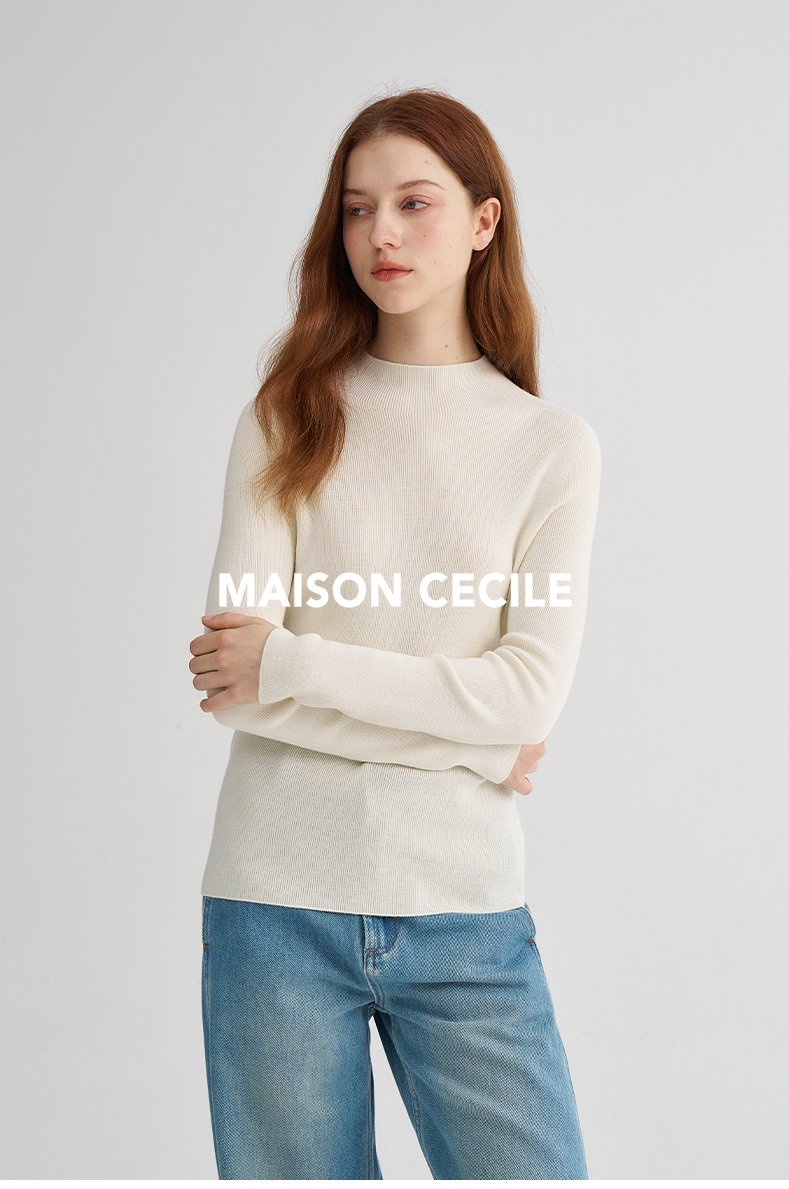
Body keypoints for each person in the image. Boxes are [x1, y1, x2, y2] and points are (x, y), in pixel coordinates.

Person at [189, 87, 601, 1180]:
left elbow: (527, 698)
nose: (382, 233)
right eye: (357, 208)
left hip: (466, 911)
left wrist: (292, 661)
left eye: (415, 203)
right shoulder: (284, 417)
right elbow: (234, 683)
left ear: (483, 220)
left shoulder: (551, 446)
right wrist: (476, 745)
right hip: (272, 901)